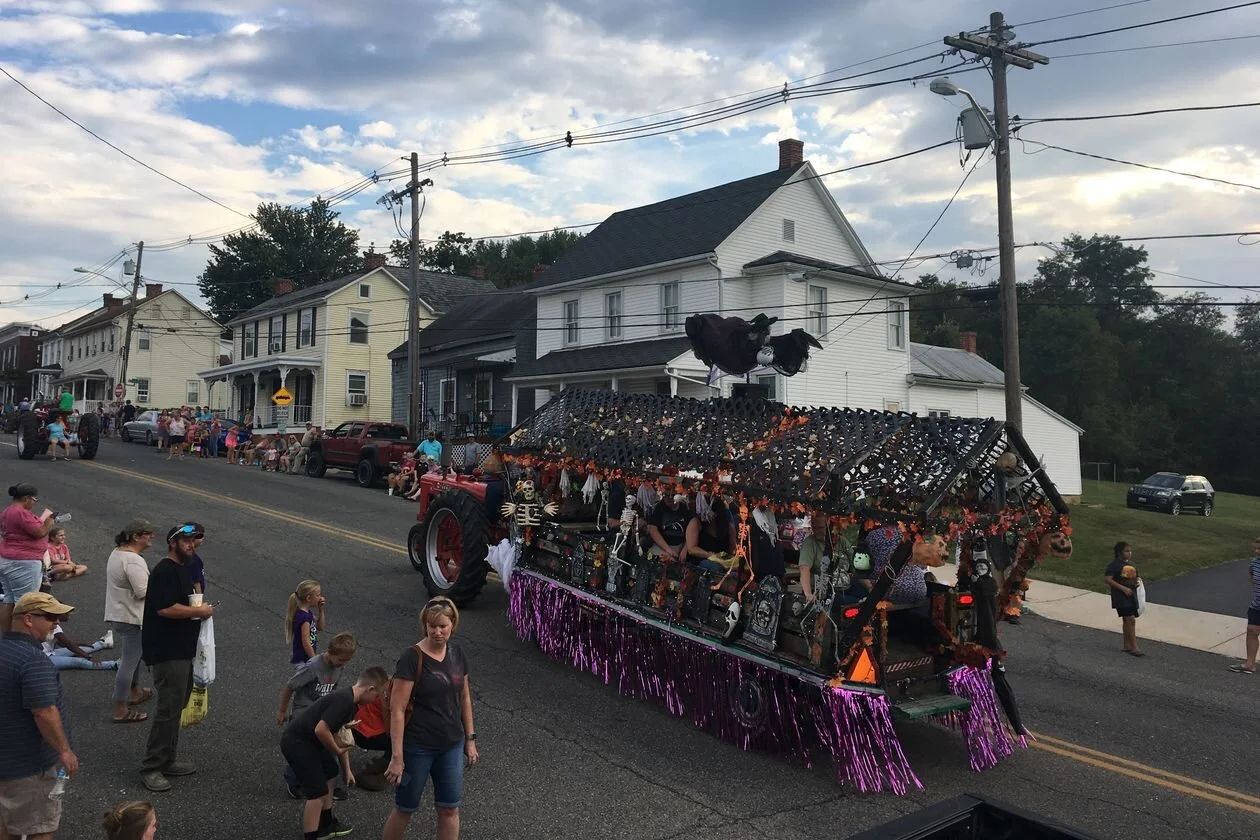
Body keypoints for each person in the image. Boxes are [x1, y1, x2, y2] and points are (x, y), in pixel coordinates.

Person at [383, 597, 478, 840]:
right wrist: (397, 757)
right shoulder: (412, 658)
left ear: (452, 625)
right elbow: (398, 709)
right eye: (432, 626)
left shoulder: (457, 653)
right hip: (417, 747)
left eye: (443, 626)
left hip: (451, 745)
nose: (437, 632)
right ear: (424, 626)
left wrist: (470, 739)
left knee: (449, 808)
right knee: (405, 808)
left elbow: (465, 697)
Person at [139, 524, 215, 792]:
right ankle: (151, 767)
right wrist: (201, 612)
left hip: (182, 650)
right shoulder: (164, 571)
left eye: (193, 540)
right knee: (168, 709)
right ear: (173, 543)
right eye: (185, 540)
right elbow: (165, 609)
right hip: (167, 651)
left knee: (177, 707)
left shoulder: (182, 569)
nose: (191, 545)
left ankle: (168, 759)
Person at [0, 592, 79, 840]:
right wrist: (64, 750)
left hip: (6, 761)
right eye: (50, 617)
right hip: (28, 766)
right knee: (40, 826)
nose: (56, 623)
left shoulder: (4, 650)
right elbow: (43, 711)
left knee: (7, 825)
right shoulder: (33, 661)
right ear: (28, 619)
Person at [282, 667, 388, 840]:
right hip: (297, 743)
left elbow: (339, 735)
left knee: (331, 771)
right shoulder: (344, 701)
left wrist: (347, 770)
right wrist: (336, 750)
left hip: (310, 742)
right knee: (316, 793)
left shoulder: (352, 703)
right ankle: (311, 835)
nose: (375, 700)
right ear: (370, 689)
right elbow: (321, 730)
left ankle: (326, 823)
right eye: (377, 696)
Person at [278, 632, 358, 801]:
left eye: (346, 661)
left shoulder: (338, 666)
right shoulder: (313, 667)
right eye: (341, 660)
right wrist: (282, 711)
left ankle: (329, 783)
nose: (343, 665)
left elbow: (334, 689)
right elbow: (290, 686)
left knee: (328, 745)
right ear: (330, 652)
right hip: (304, 712)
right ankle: (293, 781)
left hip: (322, 711)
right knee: (301, 748)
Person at [105, 519, 155, 723]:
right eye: (147, 533)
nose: (151, 536)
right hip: (132, 616)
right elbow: (143, 591)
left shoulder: (117, 553)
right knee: (128, 661)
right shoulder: (133, 560)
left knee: (133, 657)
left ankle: (134, 691)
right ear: (136, 536)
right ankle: (120, 708)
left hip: (119, 612)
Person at [1, 483, 58, 632]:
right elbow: (39, 532)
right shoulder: (20, 513)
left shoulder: (7, 512)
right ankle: (21, 639)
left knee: (9, 600)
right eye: (34, 499)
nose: (34, 503)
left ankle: (6, 637)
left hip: (8, 559)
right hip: (23, 562)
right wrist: (49, 523)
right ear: (26, 498)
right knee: (26, 603)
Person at [1105, 541, 1144, 657]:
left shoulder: (1132, 565)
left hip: (1132, 596)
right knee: (1130, 619)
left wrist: (1136, 584)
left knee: (1127, 620)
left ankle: (1127, 645)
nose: (1129, 553)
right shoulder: (1115, 565)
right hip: (1121, 597)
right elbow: (1108, 579)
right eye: (1126, 551)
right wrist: (1123, 589)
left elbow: (1135, 578)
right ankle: (1134, 647)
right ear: (1119, 553)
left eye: (1130, 551)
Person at [1228, 536, 1260, 674]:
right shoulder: (1254, 563)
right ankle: (1250, 664)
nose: (1256, 551)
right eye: (1255, 548)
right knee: (1252, 631)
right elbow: (1252, 579)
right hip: (1257, 605)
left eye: (1259, 548)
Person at [683, 497, 737, 571]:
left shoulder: (729, 526)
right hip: (701, 560)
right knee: (714, 566)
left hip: (722, 559)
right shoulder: (696, 522)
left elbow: (732, 549)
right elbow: (691, 549)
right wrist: (710, 555)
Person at [44, 618, 117, 671]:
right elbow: (68, 644)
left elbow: (62, 642)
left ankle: (104, 643)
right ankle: (114, 664)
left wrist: (77, 644)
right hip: (43, 659)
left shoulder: (52, 623)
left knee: (79, 648)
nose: (69, 614)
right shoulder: (50, 624)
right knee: (77, 661)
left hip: (50, 652)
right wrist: (88, 657)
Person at [286, 580, 326, 666]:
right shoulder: (304, 618)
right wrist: (315, 661)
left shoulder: (308, 613)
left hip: (307, 657)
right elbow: (306, 643)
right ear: (308, 598)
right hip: (304, 659)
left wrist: (321, 610)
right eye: (318, 595)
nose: (320, 597)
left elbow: (320, 627)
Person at [646, 492, 690, 560]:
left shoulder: (685, 508)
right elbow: (652, 529)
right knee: (651, 556)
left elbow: (693, 531)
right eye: (666, 495)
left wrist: (685, 549)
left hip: (679, 544)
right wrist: (668, 550)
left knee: (671, 561)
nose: (668, 498)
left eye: (672, 496)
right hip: (662, 543)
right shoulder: (660, 506)